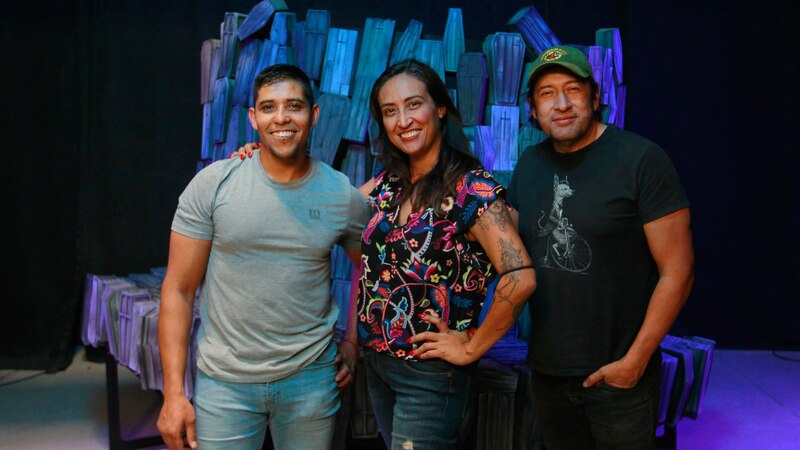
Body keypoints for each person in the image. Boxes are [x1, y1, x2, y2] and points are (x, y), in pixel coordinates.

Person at [156, 64, 369, 450]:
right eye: (268, 108)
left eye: (294, 106)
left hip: (311, 380)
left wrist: (352, 341)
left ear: (314, 115)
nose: (282, 118)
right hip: (225, 381)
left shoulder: (340, 195)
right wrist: (173, 394)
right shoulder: (215, 184)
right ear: (253, 118)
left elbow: (369, 268)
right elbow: (178, 290)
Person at [507, 45, 695, 449]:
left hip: (620, 375)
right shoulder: (529, 163)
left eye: (573, 89)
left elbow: (678, 271)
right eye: (546, 93)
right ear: (532, 110)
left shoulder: (641, 159)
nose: (560, 104)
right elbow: (504, 248)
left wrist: (636, 361)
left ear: (594, 97)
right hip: (548, 373)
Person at [356, 59, 537, 450]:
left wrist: (471, 346)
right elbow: (320, 207)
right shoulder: (389, 184)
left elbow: (520, 276)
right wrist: (261, 158)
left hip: (430, 375)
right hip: (378, 366)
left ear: (439, 107)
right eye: (390, 111)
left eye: (413, 104)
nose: (403, 120)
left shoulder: (472, 189)